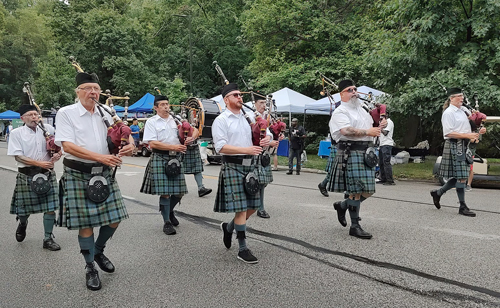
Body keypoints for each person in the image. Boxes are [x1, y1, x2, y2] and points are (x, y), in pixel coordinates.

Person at [55, 72, 134, 291]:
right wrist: (100, 157)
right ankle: (90, 266)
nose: (93, 92)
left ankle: (98, 250)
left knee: (115, 219)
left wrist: (130, 144)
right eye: (88, 88)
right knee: (86, 224)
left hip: (104, 173)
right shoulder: (66, 113)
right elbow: (67, 146)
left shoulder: (107, 112)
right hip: (78, 173)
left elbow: (123, 133)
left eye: (96, 89)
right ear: (78, 91)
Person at [213, 83, 271, 264]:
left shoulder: (250, 118)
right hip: (233, 166)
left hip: (251, 166)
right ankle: (243, 248)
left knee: (253, 207)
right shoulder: (221, 120)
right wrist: (246, 149)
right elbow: (220, 147)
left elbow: (265, 135)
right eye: (236, 95)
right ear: (226, 100)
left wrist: (268, 139)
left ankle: (229, 228)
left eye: (240, 95)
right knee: (241, 209)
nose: (240, 97)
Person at [329, 80, 387, 239]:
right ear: (342, 94)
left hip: (366, 152)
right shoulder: (340, 111)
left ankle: (342, 206)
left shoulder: (362, 109)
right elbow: (346, 130)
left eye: (355, 89)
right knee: (355, 191)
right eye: (349, 90)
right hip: (351, 151)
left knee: (368, 190)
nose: (354, 92)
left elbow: (373, 126)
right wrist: (368, 131)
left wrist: (381, 123)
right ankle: (355, 226)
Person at [8, 104, 62, 251]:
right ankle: (23, 223)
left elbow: (59, 146)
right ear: (22, 118)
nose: (34, 117)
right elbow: (17, 155)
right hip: (27, 174)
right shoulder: (16, 133)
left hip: (47, 174)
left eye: (36, 114)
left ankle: (47, 238)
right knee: (24, 209)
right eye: (30, 115)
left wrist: (58, 154)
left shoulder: (48, 130)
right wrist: (39, 163)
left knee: (51, 207)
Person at [430, 88, 486, 217]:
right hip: (455, 144)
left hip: (465, 145)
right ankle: (462, 206)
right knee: (462, 177)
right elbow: (448, 133)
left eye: (462, 96)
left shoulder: (464, 110)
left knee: (459, 176)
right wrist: (468, 136)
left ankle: (438, 193)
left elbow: (471, 126)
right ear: (451, 98)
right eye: (459, 96)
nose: (462, 98)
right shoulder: (448, 113)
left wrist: (479, 130)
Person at [140, 95, 188, 235]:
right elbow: (152, 143)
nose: (166, 107)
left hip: (176, 158)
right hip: (160, 157)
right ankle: (166, 221)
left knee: (179, 192)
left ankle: (170, 210)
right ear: (156, 108)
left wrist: (192, 136)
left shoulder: (177, 120)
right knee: (165, 193)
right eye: (162, 104)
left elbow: (193, 130)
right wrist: (173, 146)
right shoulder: (151, 122)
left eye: (167, 104)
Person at [253, 99, 280, 219]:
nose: (264, 106)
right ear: (254, 104)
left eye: (265, 103)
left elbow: (268, 133)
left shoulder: (266, 117)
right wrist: (269, 141)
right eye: (261, 103)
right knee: (257, 182)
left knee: (262, 182)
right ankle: (260, 207)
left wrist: (273, 138)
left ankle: (257, 204)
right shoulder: (249, 116)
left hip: (263, 153)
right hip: (252, 152)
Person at [183, 132, 212, 197]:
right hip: (179, 146)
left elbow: (196, 130)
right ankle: (177, 188)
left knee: (197, 168)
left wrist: (192, 138)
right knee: (176, 168)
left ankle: (201, 188)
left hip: (192, 146)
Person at [377, 113, 395, 185]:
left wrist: (380, 128)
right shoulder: (383, 123)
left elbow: (385, 133)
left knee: (386, 162)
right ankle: (383, 178)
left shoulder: (389, 122)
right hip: (382, 144)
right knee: (381, 162)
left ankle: (389, 180)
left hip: (387, 144)